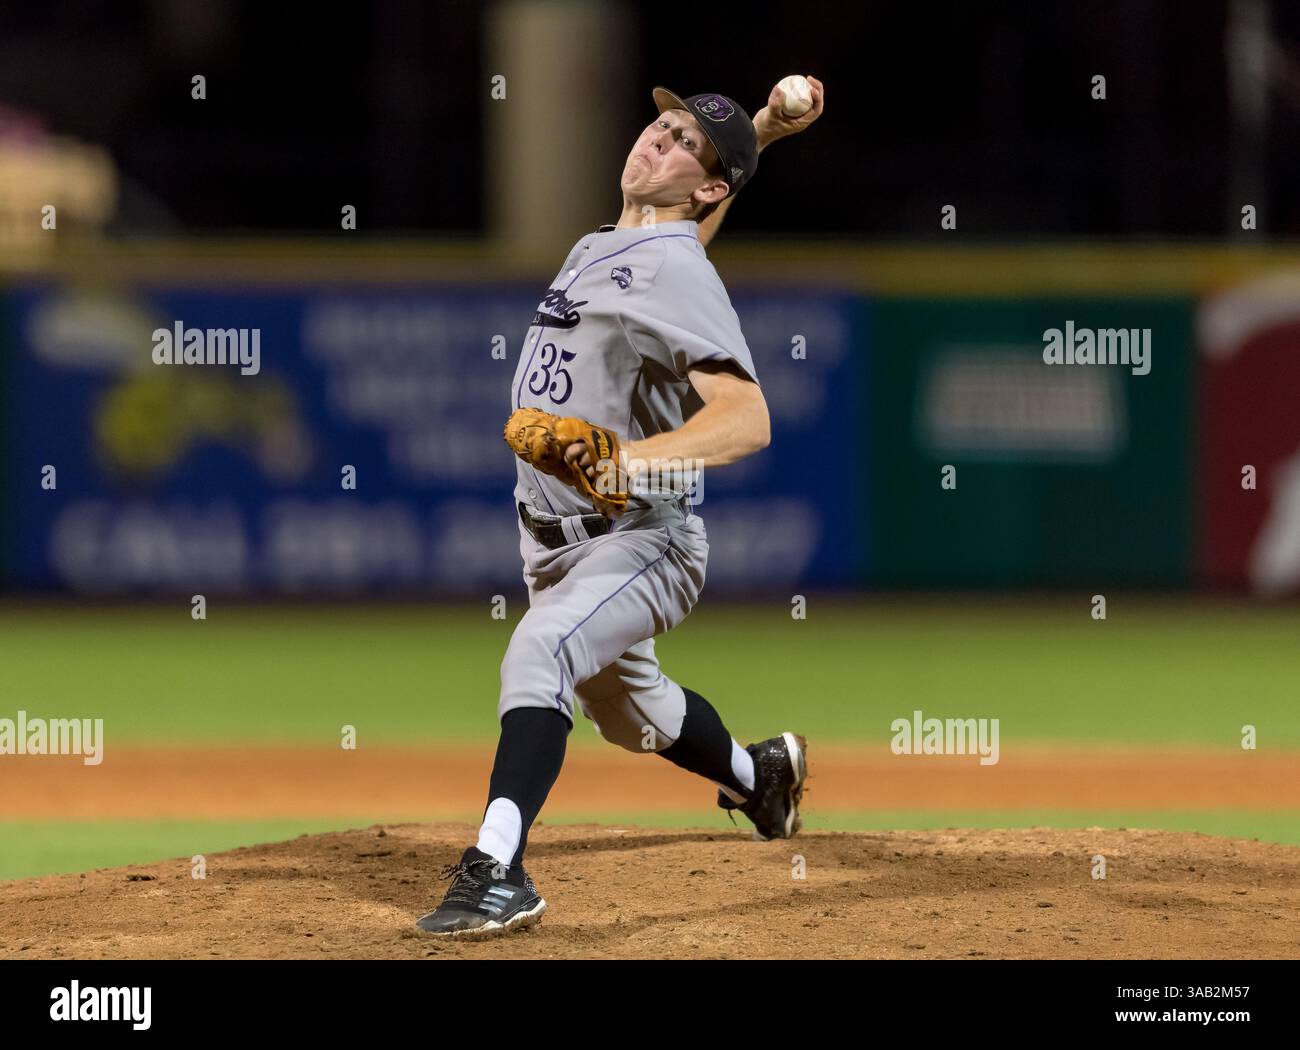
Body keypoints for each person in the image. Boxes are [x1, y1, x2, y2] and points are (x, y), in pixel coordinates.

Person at [418, 76, 826, 937]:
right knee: (634, 716)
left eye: (681, 143)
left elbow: (747, 419)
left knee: (540, 653)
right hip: (556, 544)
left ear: (708, 184)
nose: (655, 139)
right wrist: (756, 132)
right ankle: (763, 781)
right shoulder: (611, 241)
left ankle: (496, 872)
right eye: (661, 124)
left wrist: (628, 461)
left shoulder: (676, 266)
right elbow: (683, 224)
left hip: (643, 537)